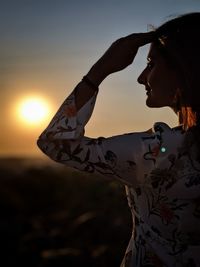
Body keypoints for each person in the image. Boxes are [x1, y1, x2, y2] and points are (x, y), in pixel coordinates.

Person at [37, 13, 200, 267]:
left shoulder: (156, 153)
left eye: (151, 64)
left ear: (183, 68)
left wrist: (101, 69)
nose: (141, 77)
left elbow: (55, 141)